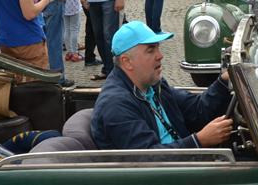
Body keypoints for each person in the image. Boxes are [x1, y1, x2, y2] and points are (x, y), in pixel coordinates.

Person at [90, 21, 233, 150]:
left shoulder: (153, 85)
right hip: (165, 175)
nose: (160, 56)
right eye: (150, 50)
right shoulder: (116, 104)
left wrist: (224, 81)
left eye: (158, 48)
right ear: (127, 62)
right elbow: (147, 158)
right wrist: (198, 141)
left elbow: (197, 110)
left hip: (181, 166)